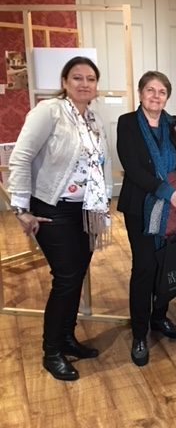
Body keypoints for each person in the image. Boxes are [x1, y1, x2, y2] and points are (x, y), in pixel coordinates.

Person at [8, 56, 112, 381]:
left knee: (76, 275)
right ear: (65, 82)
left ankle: (67, 338)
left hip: (85, 210)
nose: (84, 83)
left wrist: (104, 201)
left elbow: (99, 164)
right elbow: (21, 156)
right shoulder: (48, 111)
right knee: (66, 278)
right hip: (53, 208)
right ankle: (51, 351)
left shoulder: (93, 118)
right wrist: (21, 208)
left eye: (90, 79)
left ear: (96, 85)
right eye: (77, 77)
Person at [117, 71, 176, 367]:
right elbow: (133, 168)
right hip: (142, 206)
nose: (156, 96)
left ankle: (160, 317)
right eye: (150, 90)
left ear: (167, 97)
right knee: (145, 267)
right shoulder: (127, 124)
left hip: (173, 207)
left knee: (165, 263)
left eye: (162, 91)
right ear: (140, 93)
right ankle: (139, 333)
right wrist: (166, 191)